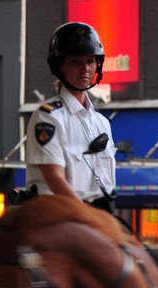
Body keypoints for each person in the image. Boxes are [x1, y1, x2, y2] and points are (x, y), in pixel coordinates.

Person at [25, 22, 118, 215]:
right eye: (76, 61)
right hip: (58, 217)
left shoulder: (101, 123)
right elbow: (54, 178)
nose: (85, 69)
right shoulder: (48, 117)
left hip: (100, 216)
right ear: (60, 66)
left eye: (90, 61)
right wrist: (88, 217)